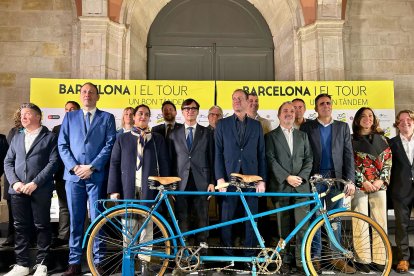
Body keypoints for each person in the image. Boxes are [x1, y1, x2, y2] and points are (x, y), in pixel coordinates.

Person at [58, 82, 116, 276]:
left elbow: (109, 145)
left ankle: (98, 262)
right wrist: (75, 167)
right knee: (76, 220)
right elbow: (62, 144)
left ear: (97, 96)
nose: (87, 95)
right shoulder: (70, 117)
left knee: (98, 219)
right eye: (84, 92)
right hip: (74, 177)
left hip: (96, 175)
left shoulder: (107, 118)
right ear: (80, 95)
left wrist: (91, 167)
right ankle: (74, 263)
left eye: (91, 92)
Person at [108, 104, 170, 275]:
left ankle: (144, 266)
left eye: (146, 114)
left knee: (147, 228)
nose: (143, 116)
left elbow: (164, 163)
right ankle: (128, 266)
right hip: (128, 188)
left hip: (149, 189)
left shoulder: (157, 139)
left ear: (150, 118)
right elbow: (114, 164)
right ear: (134, 117)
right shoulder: (122, 138)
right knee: (128, 227)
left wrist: (163, 186)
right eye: (140, 114)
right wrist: (113, 189)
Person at [300, 93, 355, 273]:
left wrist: (350, 180)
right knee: (314, 219)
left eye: (328, 103)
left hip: (336, 180)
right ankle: (315, 257)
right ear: (316, 108)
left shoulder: (342, 127)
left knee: (334, 220)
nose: (325, 106)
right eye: (321, 104)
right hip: (314, 180)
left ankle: (336, 257)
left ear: (332, 106)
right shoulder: (307, 127)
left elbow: (348, 155)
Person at [4, 103, 59, 276]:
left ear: (38, 116)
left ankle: (41, 264)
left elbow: (54, 163)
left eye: (27, 114)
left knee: (42, 226)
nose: (23, 117)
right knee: (20, 227)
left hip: (40, 190)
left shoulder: (50, 137)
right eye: (22, 115)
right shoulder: (17, 137)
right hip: (18, 190)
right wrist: (15, 183)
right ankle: (22, 264)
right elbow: (8, 162)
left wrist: (35, 183)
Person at [215, 89, 266, 272]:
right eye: (234, 98)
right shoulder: (222, 125)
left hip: (252, 180)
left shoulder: (256, 126)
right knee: (227, 219)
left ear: (247, 102)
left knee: (251, 220)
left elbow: (261, 154)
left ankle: (248, 258)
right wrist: (220, 178)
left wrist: (262, 180)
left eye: (240, 99)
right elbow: (218, 154)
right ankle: (228, 259)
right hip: (228, 181)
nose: (236, 101)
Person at [265, 101, 313, 274]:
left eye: (292, 111)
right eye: (285, 111)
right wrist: (287, 177)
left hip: (301, 188)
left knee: (302, 227)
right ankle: (284, 260)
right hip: (281, 187)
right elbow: (270, 160)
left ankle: (301, 260)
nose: (289, 113)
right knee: (283, 227)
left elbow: (309, 159)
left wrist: (300, 178)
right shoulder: (270, 137)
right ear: (278, 115)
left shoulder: (303, 136)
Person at [169, 99, 214, 276]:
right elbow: (171, 161)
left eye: (193, 109)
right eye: (186, 109)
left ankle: (201, 260)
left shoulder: (207, 133)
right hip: (180, 183)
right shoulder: (174, 133)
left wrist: (211, 181)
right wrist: (172, 185)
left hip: (202, 182)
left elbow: (212, 157)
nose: (190, 111)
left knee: (202, 222)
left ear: (197, 112)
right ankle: (185, 259)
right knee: (183, 221)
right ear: (182, 112)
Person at [350, 107, 392, 273]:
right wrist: (363, 181)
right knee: (359, 220)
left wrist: (380, 180)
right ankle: (362, 259)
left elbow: (387, 163)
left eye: (370, 116)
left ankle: (380, 259)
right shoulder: (351, 139)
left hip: (379, 185)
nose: (367, 119)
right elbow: (350, 163)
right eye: (363, 116)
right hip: (361, 185)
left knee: (380, 220)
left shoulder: (383, 140)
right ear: (357, 120)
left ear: (374, 120)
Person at [51, 101, 80, 248]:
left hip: (80, 172)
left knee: (79, 207)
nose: (69, 111)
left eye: (73, 109)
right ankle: (63, 236)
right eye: (67, 109)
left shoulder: (83, 126)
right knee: (63, 206)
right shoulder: (56, 128)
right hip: (62, 173)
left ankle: (81, 236)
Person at [389, 110, 414, 273]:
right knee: (401, 225)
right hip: (400, 190)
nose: (405, 122)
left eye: (409, 119)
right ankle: (403, 259)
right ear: (397, 124)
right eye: (401, 120)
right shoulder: (391, 143)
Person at [1, 108, 23, 247]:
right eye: (22, 114)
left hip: (30, 177)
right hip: (13, 176)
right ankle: (11, 235)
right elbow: (8, 155)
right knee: (12, 208)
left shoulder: (42, 132)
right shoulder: (13, 132)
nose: (25, 116)